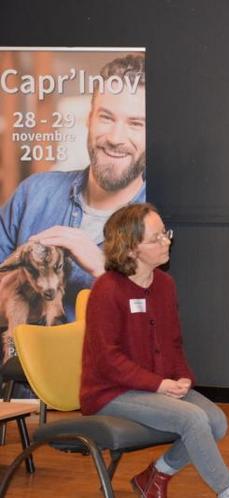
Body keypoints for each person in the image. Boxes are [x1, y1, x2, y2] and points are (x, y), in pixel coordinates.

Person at [80, 203, 229, 498]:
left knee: (217, 421)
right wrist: (157, 384)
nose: (167, 241)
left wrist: (182, 377)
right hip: (111, 392)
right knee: (193, 419)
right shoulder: (106, 290)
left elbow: (173, 342)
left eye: (165, 234)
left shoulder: (165, 285)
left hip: (155, 386)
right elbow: (108, 360)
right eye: (156, 238)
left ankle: (156, 475)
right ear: (131, 249)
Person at [0, 53, 146, 325]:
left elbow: (163, 327)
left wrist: (105, 271)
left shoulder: (163, 218)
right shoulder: (33, 193)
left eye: (136, 123)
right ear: (89, 119)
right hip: (16, 366)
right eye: (106, 117)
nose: (115, 138)